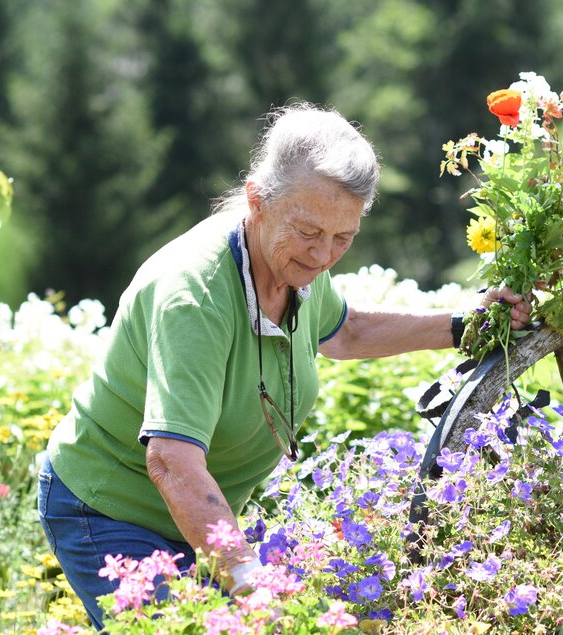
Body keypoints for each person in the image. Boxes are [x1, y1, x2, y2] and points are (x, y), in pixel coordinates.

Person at [37, 102, 532, 629]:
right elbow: (171, 462)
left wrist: (464, 324)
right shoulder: (194, 296)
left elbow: (347, 331)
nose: (323, 256)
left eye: (343, 237)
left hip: (198, 519)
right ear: (257, 200)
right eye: (309, 232)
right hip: (110, 509)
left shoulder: (293, 269)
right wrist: (251, 583)